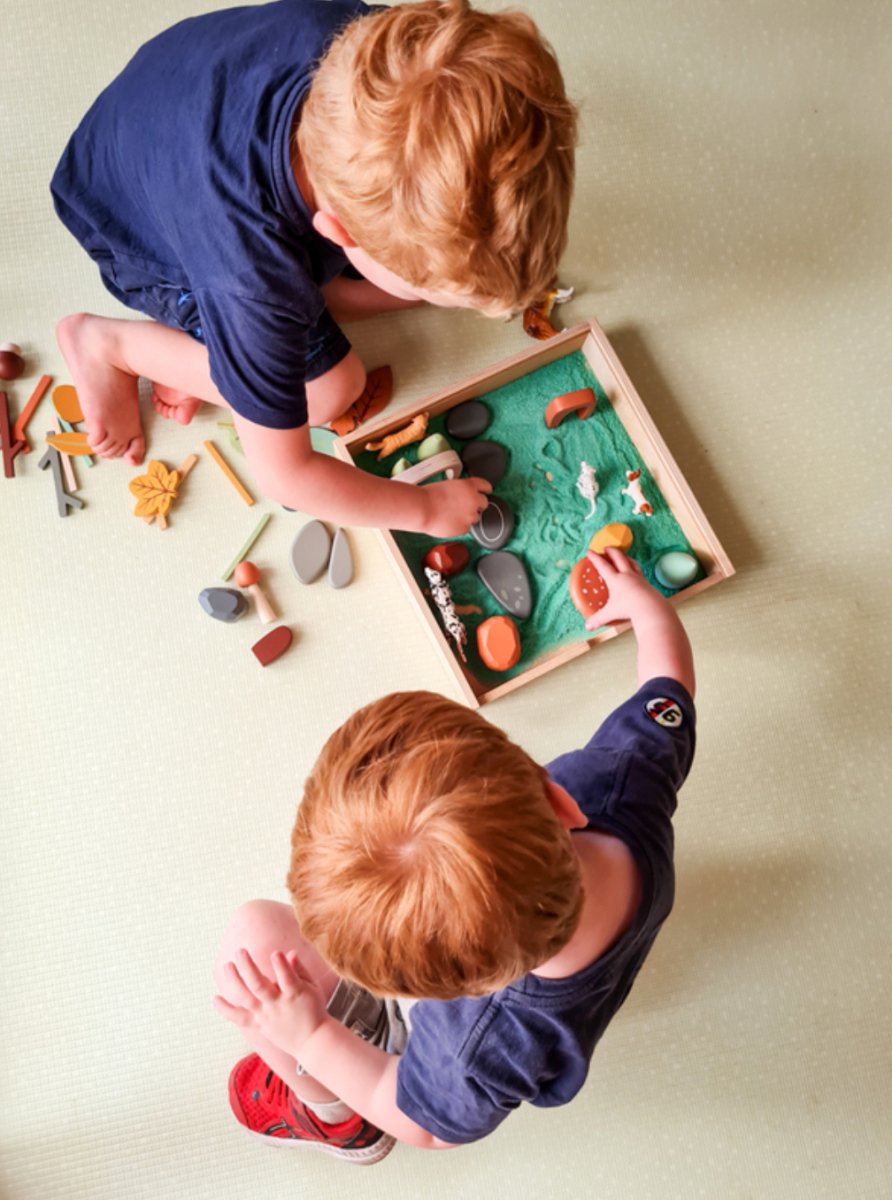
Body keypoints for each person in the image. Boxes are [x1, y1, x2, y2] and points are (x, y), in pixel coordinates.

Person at [213, 548, 698, 1163]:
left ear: (449, 989)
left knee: (252, 947)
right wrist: (651, 611)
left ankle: (336, 1119)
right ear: (557, 801)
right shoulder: (625, 781)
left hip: (397, 1074)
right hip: (585, 944)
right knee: (259, 930)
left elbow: (426, 1125)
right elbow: (669, 692)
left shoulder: (486, 1039)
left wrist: (307, 1034)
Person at [50, 0, 577, 537]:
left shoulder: (388, 49)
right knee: (332, 390)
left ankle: (313, 310)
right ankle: (110, 345)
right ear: (340, 235)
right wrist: (425, 511)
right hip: (132, 228)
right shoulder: (251, 282)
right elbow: (286, 476)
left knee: (408, 290)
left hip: (174, 104)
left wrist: (426, 281)